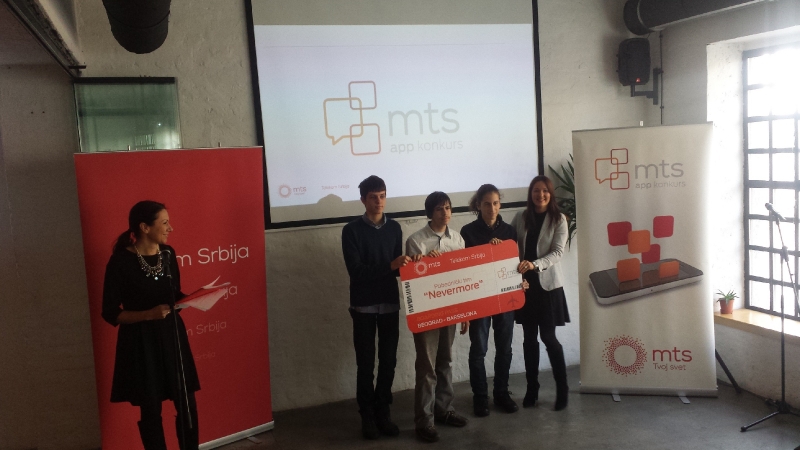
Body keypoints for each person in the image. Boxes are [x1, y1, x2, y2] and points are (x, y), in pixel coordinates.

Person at [102, 200, 200, 450]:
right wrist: (148, 315)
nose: (170, 228)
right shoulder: (120, 262)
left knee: (186, 402)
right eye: (164, 223)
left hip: (172, 336)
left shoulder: (168, 254)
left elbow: (173, 294)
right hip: (140, 343)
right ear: (145, 227)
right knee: (151, 408)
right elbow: (110, 312)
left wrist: (194, 298)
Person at [341, 175, 411, 440]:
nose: (379, 201)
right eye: (373, 197)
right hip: (363, 307)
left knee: (389, 361)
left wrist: (414, 265)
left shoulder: (395, 228)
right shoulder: (351, 231)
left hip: (390, 303)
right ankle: (367, 415)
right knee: (366, 364)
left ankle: (384, 412)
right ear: (363, 200)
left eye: (382, 196)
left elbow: (396, 270)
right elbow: (356, 272)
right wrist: (391, 266)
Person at [406, 192, 470, 443]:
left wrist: (465, 312)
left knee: (446, 361)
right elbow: (414, 279)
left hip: (451, 310)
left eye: (448, 208)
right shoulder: (416, 241)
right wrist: (426, 263)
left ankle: (444, 410)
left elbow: (463, 278)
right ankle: (424, 421)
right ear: (429, 213)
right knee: (427, 367)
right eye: (439, 209)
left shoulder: (458, 239)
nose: (445, 213)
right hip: (427, 312)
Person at [511, 175, 570, 411]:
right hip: (525, 287)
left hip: (548, 287)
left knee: (548, 337)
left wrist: (535, 264)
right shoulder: (521, 217)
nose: (540, 195)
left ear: (550, 193)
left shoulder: (559, 219)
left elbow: (558, 252)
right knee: (528, 339)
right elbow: (510, 245)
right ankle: (532, 389)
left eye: (545, 190)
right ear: (530, 193)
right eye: (536, 190)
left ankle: (562, 389)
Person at [460, 184, 519, 417]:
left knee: (504, 348)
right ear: (478, 205)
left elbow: (514, 264)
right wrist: (487, 250)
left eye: (495, 203)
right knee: (479, 349)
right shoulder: (467, 232)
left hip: (505, 298)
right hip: (479, 299)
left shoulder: (509, 231)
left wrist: (520, 281)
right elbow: (465, 269)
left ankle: (501, 393)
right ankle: (480, 397)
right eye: (486, 204)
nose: (492, 208)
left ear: (500, 204)